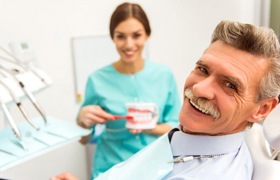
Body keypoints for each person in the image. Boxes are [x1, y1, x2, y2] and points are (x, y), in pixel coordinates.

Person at [51, 20, 280, 180]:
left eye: (230, 85)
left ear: (262, 109)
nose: (200, 88)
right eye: (202, 69)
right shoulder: (189, 138)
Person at [75, 2, 181, 179]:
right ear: (113, 38)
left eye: (136, 35)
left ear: (147, 34)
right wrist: (82, 121)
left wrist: (149, 127)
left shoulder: (163, 74)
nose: (129, 44)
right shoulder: (97, 79)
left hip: (155, 168)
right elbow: (83, 139)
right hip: (110, 169)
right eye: (121, 36)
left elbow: (177, 128)